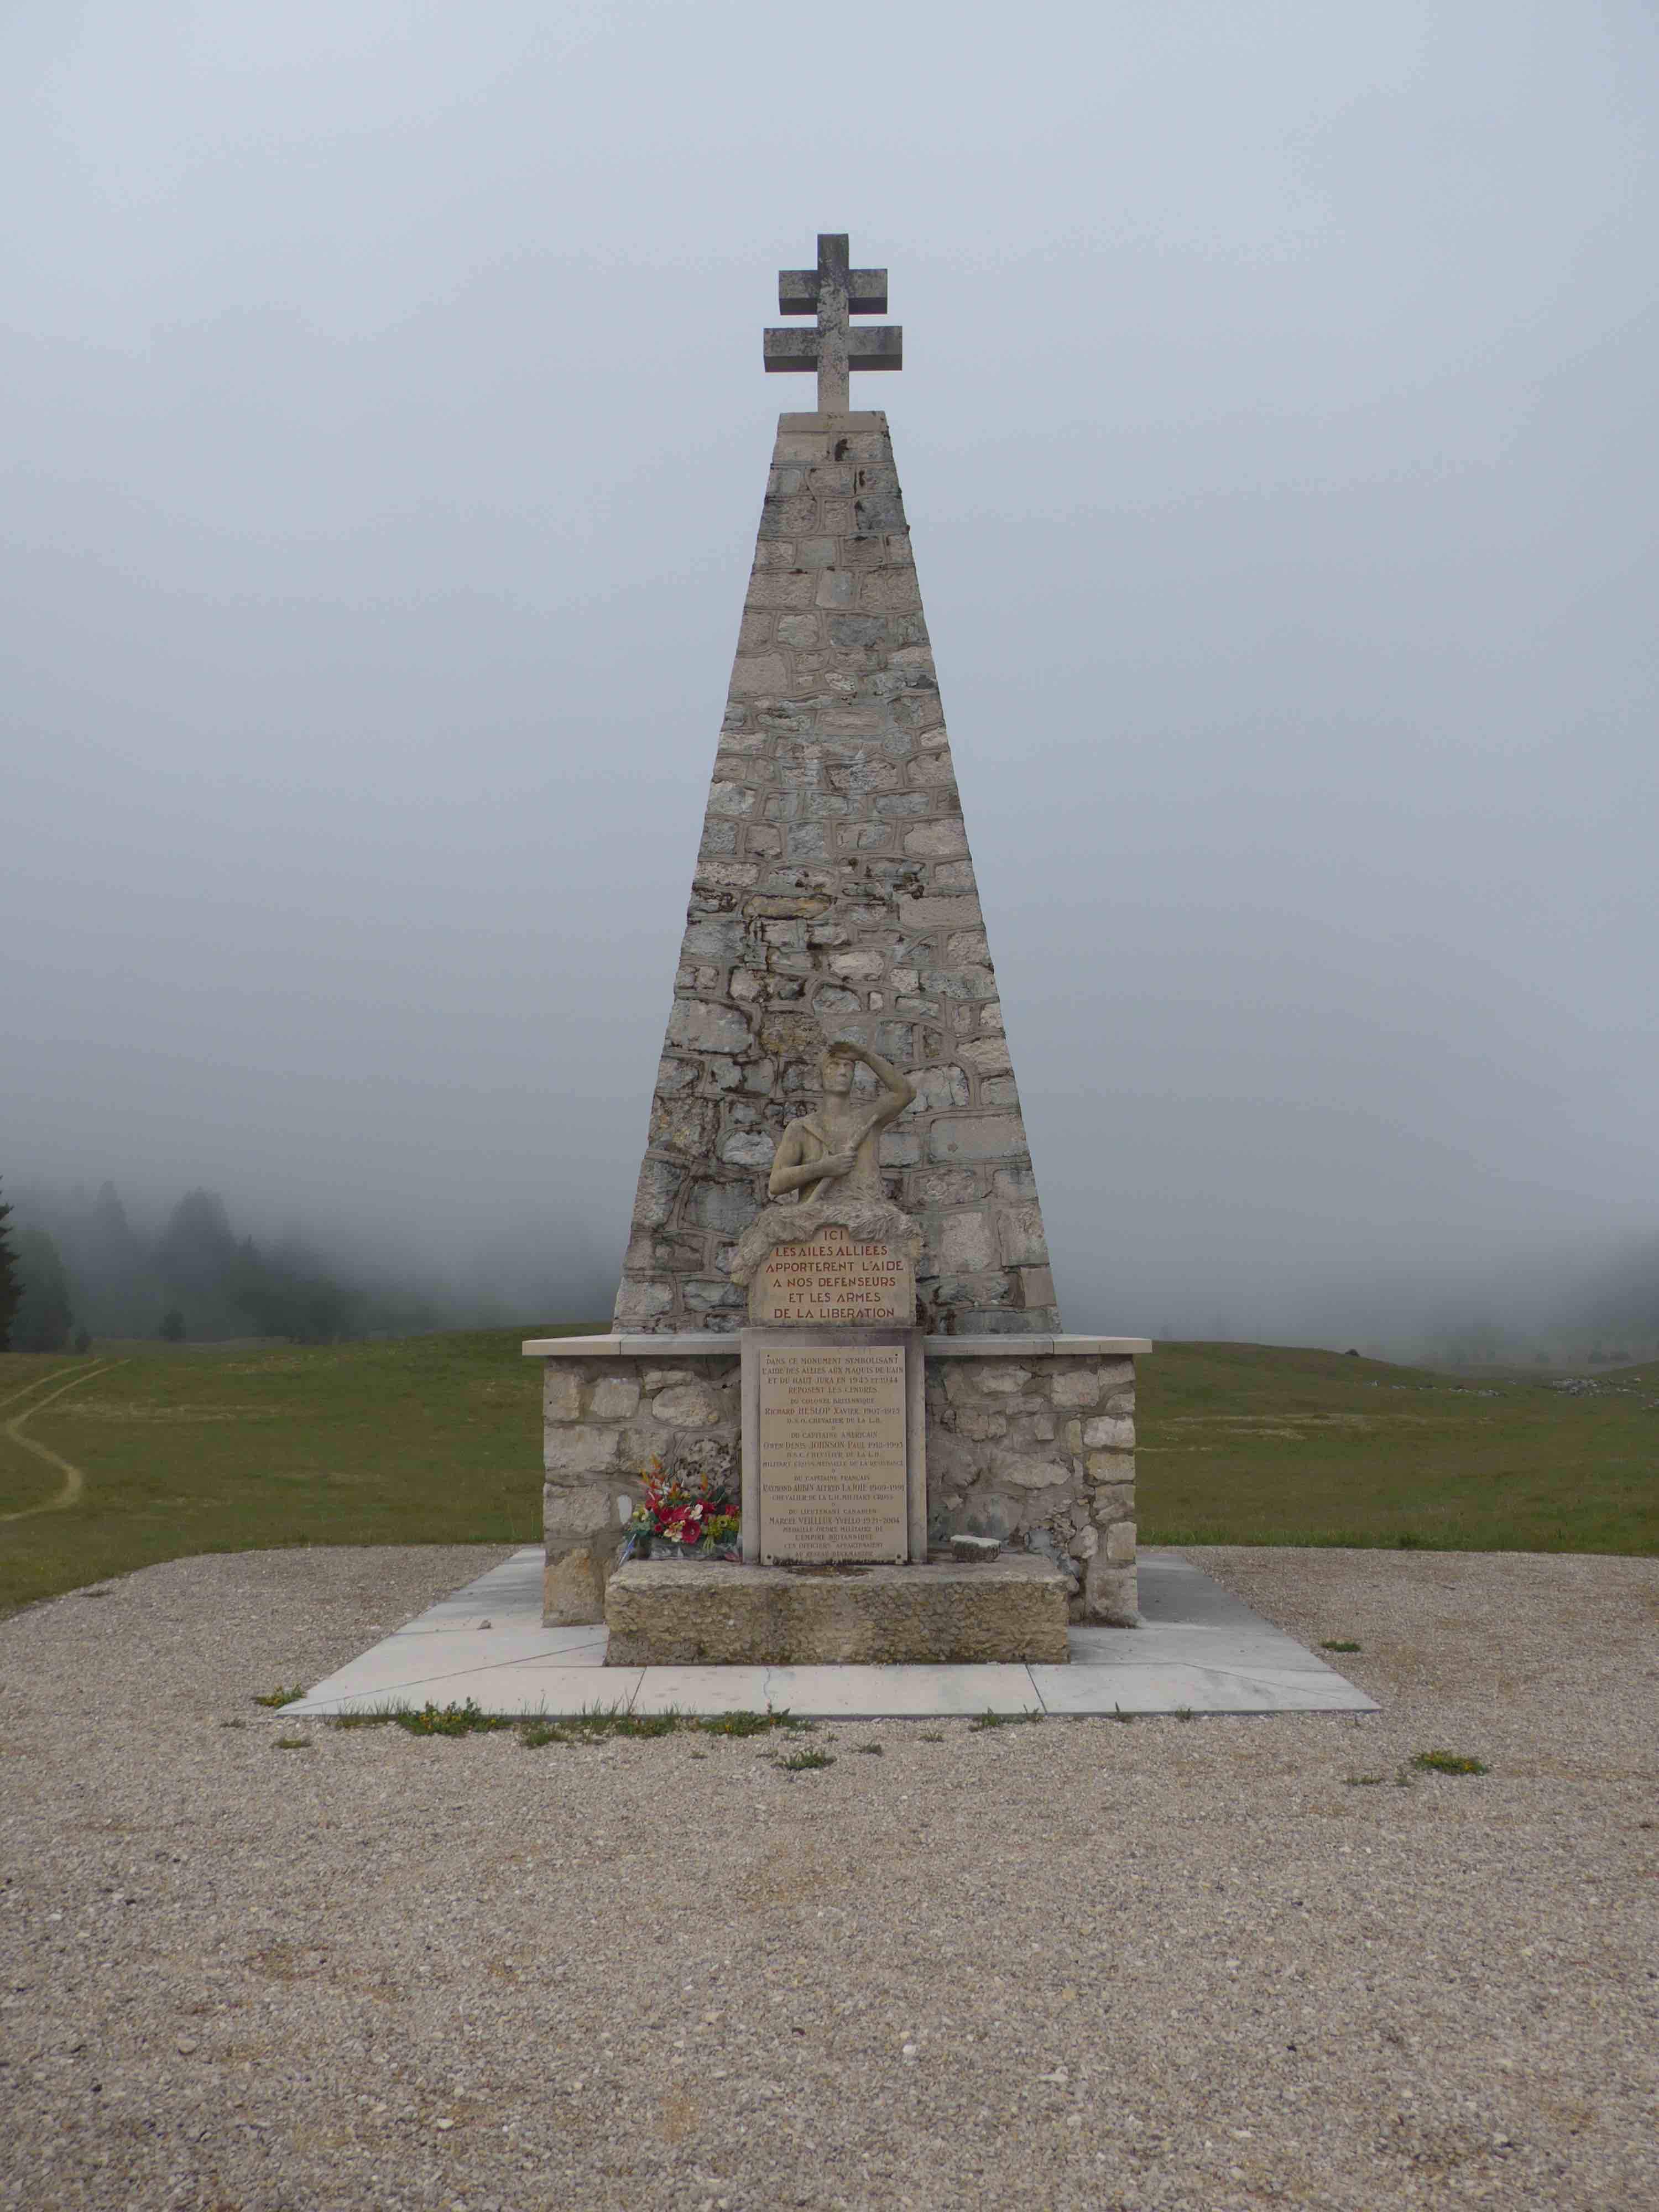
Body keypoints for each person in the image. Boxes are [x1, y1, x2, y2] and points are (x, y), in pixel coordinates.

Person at [767, 1041, 916, 1206]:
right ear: (820, 1077)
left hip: (866, 1216)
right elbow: (776, 1183)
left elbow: (905, 1093)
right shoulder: (801, 1128)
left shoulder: (868, 1119)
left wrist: (865, 1056)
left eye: (849, 1066)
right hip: (815, 1217)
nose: (842, 1072)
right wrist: (822, 1168)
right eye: (834, 1065)